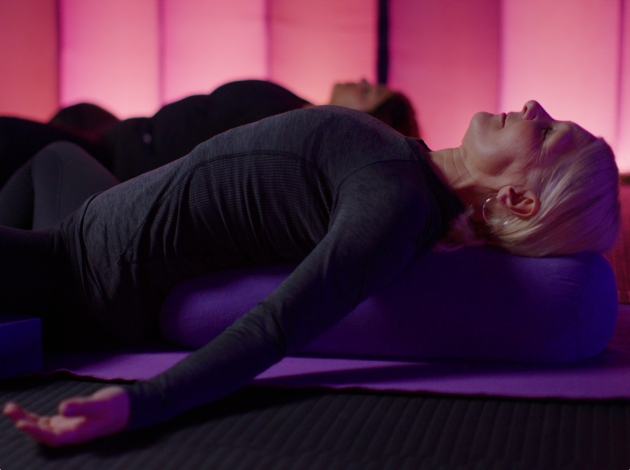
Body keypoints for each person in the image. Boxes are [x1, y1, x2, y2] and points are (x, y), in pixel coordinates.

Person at [2, 100, 619, 446]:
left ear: (518, 201)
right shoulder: (411, 174)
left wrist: (139, 405)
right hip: (83, 226)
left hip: (78, 277)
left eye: (544, 131)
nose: (534, 105)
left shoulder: (393, 204)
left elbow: (276, 326)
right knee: (56, 155)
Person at [0, 79, 418, 188]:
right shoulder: (293, 102)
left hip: (113, 161)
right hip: (118, 134)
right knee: (80, 110)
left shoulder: (293, 137)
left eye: (369, 91)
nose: (360, 79)